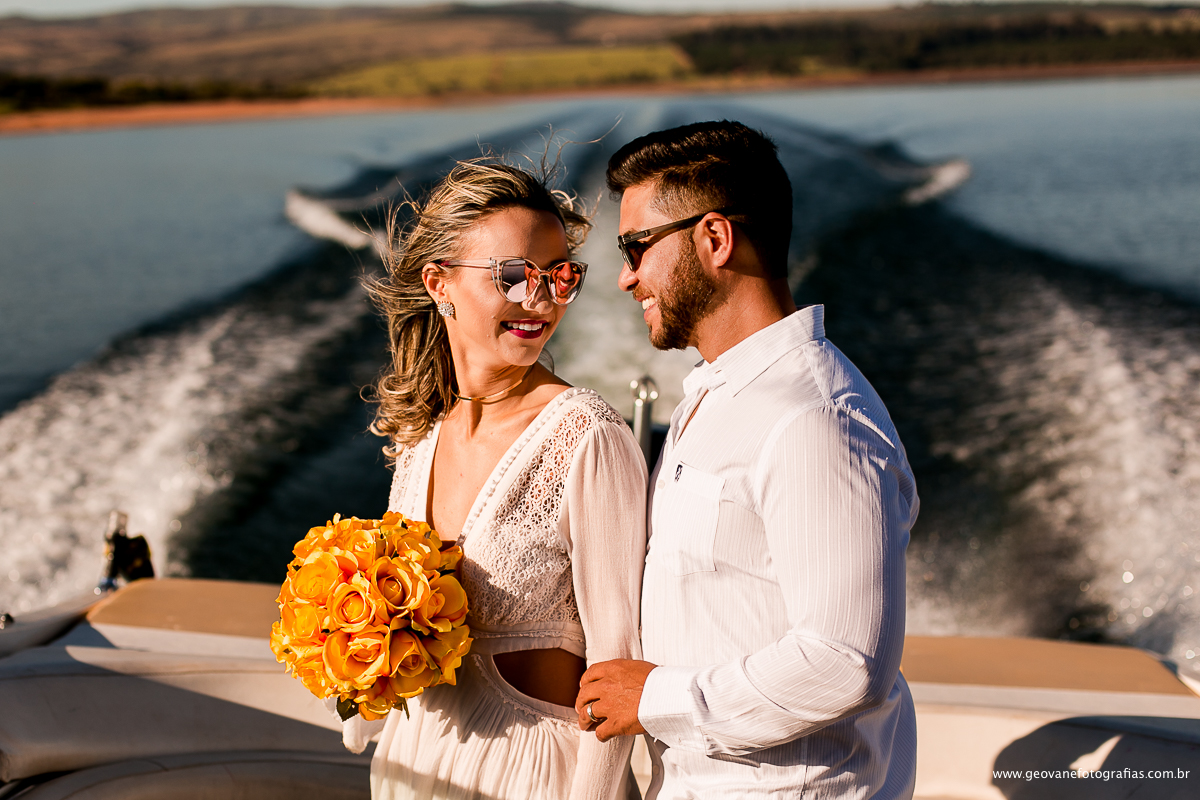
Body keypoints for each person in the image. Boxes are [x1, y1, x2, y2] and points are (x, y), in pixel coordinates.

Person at [575, 121, 919, 798]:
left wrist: (656, 698)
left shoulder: (812, 417)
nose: (625, 277)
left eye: (637, 247)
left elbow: (844, 664)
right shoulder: (714, 394)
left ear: (714, 239)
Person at [342, 159, 647, 800]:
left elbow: (617, 667)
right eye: (512, 275)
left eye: (560, 276)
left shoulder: (587, 436)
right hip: (414, 763)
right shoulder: (420, 436)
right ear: (439, 283)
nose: (539, 300)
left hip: (538, 775)